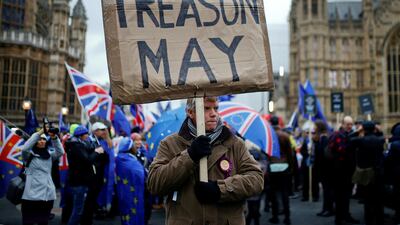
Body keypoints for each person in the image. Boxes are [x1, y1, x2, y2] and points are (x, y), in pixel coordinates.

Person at [147, 97, 264, 225]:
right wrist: (189, 156)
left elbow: (256, 179)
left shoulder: (235, 143)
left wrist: (220, 190)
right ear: (190, 112)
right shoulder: (170, 144)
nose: (213, 113)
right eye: (206, 108)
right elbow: (154, 184)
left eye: (216, 108)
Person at [21, 128, 64, 225]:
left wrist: (54, 137)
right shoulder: (28, 155)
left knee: (43, 222)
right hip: (31, 197)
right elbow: (24, 148)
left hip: (47, 195)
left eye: (44, 139)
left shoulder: (49, 155)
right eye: (39, 139)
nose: (42, 141)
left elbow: (61, 152)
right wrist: (40, 132)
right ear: (35, 141)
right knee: (28, 222)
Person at [65, 125, 105, 225]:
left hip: (79, 180)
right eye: (86, 134)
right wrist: (96, 152)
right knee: (78, 210)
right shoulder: (76, 145)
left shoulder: (77, 143)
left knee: (78, 209)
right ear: (80, 135)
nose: (87, 136)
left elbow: (88, 149)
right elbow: (87, 160)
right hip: (78, 181)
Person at [350, 121, 385, 225]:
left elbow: (348, 139)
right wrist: (379, 131)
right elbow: (381, 136)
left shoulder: (360, 140)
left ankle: (369, 220)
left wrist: (357, 131)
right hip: (378, 172)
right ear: (374, 129)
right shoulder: (380, 140)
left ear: (363, 130)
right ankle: (379, 220)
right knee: (378, 199)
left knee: (368, 199)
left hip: (366, 173)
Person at [328, 116, 360, 225]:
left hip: (349, 170)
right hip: (338, 171)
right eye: (347, 124)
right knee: (339, 196)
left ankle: (346, 215)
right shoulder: (336, 135)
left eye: (351, 124)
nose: (350, 126)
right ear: (342, 124)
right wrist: (351, 143)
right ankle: (339, 218)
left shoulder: (351, 135)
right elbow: (339, 150)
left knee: (347, 195)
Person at [268, 116, 294, 225]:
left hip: (273, 166)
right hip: (284, 166)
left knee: (273, 193)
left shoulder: (269, 136)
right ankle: (287, 218)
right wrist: (291, 168)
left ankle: (275, 216)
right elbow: (290, 154)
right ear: (278, 123)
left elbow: (267, 153)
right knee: (284, 193)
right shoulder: (285, 135)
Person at [115, 137, 146, 225]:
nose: (135, 147)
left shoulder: (119, 158)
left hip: (122, 192)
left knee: (125, 212)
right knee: (134, 212)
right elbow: (141, 175)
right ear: (129, 147)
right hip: (134, 192)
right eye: (133, 145)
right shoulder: (131, 161)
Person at [313, 120, 334, 217]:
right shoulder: (320, 139)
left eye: (315, 126)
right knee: (326, 190)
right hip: (323, 169)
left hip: (326, 169)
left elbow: (325, 155)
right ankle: (325, 208)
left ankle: (329, 209)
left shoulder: (325, 139)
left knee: (327, 191)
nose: (313, 128)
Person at [386, 123, 400, 224]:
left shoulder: (394, 145)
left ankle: (398, 216)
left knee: (397, 196)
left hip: (397, 175)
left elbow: (388, 159)